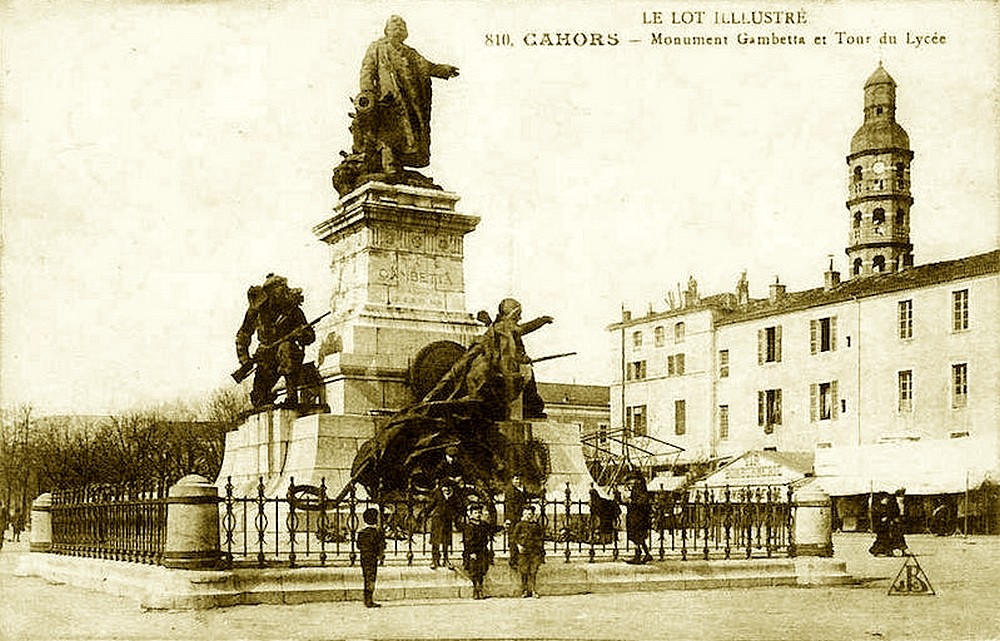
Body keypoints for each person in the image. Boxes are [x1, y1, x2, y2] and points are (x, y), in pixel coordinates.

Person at [358, 15, 459, 174]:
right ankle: (389, 166)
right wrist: (367, 92)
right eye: (394, 24)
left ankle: (398, 165)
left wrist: (443, 70)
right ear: (386, 30)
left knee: (408, 134)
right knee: (389, 132)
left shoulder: (410, 52)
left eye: (401, 25)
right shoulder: (377, 47)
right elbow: (367, 71)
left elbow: (427, 67)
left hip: (410, 100)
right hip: (388, 99)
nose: (398, 27)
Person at [235, 274, 317, 408]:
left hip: (286, 356)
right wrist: (245, 360)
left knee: (286, 348)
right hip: (265, 357)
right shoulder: (257, 310)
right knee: (259, 398)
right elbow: (243, 335)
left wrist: (300, 335)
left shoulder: (292, 310)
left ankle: (292, 396)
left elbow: (310, 336)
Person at [465, 298, 553, 420]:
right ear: (512, 314)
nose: (520, 318)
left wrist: (523, 357)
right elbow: (522, 330)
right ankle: (532, 411)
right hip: (505, 366)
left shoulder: (497, 326)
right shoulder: (505, 327)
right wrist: (541, 321)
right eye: (518, 314)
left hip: (502, 362)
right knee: (527, 380)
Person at [461, 502, 500, 600]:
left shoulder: (483, 524)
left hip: (482, 551)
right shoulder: (469, 526)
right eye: (475, 513)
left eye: (479, 513)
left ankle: (480, 588)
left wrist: (503, 526)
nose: (478, 515)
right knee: (474, 570)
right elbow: (468, 541)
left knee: (482, 570)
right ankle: (476, 588)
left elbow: (492, 529)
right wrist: (471, 552)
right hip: (473, 552)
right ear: (470, 514)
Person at [511, 504, 545, 598]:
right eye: (525, 513)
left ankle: (533, 590)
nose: (527, 516)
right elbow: (514, 537)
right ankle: (525, 590)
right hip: (523, 551)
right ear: (523, 514)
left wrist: (539, 547)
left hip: (534, 551)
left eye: (530, 514)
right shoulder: (519, 525)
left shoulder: (536, 525)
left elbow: (541, 537)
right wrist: (518, 545)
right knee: (524, 570)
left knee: (533, 571)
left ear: (533, 515)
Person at [356, 507, 386, 608]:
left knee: (366, 577)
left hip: (364, 557)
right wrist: (380, 556)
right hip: (373, 558)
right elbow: (381, 546)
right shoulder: (378, 533)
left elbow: (358, 545)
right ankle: (369, 600)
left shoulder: (361, 533)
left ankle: (366, 598)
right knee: (371, 578)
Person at [427, 482, 459, 569]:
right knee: (435, 541)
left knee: (446, 541)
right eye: (444, 487)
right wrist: (425, 513)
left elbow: (458, 507)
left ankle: (446, 559)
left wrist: (457, 514)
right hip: (437, 521)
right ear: (441, 488)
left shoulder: (453, 496)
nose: (446, 489)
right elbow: (431, 505)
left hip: (447, 521)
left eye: (448, 487)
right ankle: (435, 560)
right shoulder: (438, 495)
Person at [625, 476, 653, 564]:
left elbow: (640, 504)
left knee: (637, 537)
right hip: (636, 518)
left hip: (639, 519)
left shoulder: (643, 493)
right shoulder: (641, 491)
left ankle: (638, 555)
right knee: (638, 538)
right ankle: (646, 554)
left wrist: (631, 502)